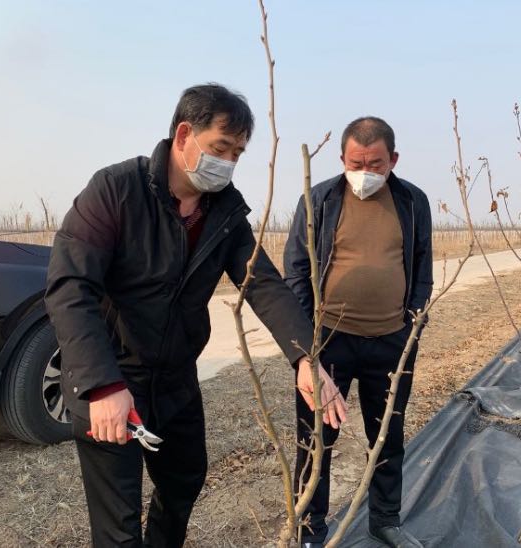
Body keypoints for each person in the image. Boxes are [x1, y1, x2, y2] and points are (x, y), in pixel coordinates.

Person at [45, 83, 347, 547]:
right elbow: (70, 286)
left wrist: (306, 357)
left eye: (238, 154)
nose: (228, 162)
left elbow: (262, 283)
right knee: (118, 525)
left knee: (184, 481)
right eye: (220, 148)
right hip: (113, 374)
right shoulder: (116, 190)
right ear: (184, 135)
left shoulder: (224, 212)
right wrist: (102, 385)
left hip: (176, 380)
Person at [284, 116, 433, 548]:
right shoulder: (319, 200)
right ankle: (310, 529)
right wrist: (306, 343)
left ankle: (384, 519)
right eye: (356, 163)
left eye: (375, 164)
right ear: (342, 159)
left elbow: (422, 264)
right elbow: (296, 269)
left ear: (393, 160)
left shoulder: (412, 201)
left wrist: (413, 322)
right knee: (316, 438)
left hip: (391, 341)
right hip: (329, 342)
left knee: (386, 435)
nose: (365, 172)